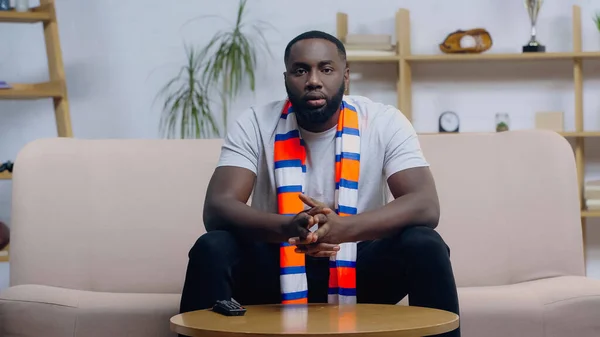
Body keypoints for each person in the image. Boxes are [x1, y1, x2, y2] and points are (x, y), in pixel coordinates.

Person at [179, 30, 460, 337]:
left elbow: (425, 205)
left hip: (361, 268)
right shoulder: (255, 122)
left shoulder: (385, 121)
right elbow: (218, 208)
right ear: (287, 79)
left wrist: (345, 228)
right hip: (277, 265)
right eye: (301, 70)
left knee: (426, 244)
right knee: (213, 247)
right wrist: (287, 228)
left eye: (326, 69)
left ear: (346, 77)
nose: (313, 80)